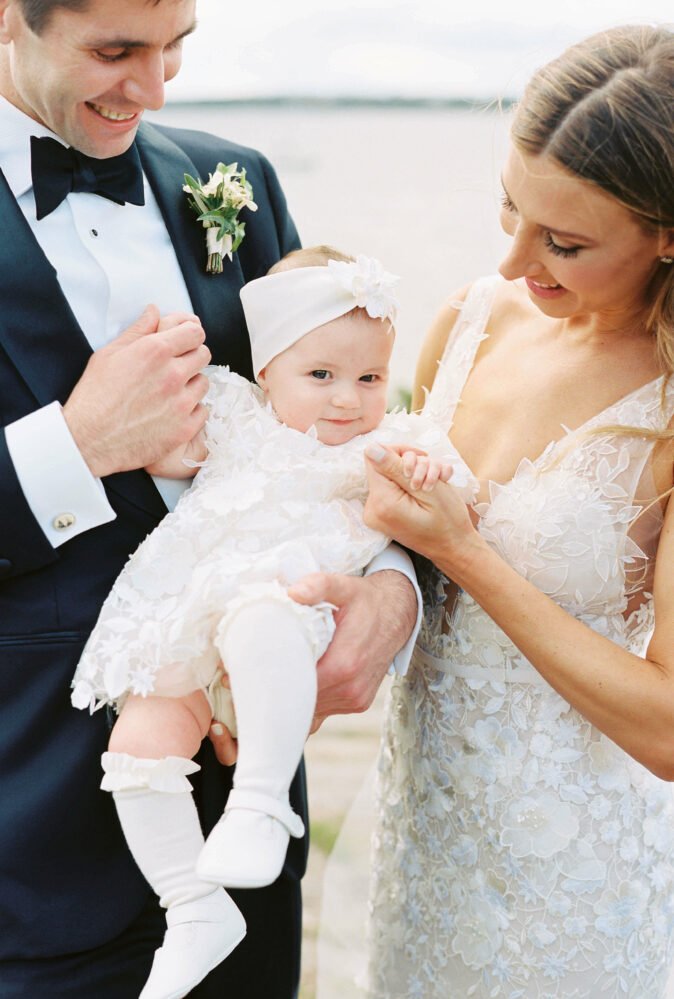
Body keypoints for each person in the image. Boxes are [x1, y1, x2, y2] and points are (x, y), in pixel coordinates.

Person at [0, 2, 419, 996]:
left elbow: (346, 425)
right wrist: (78, 446)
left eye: (175, 48)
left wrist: (393, 592)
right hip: (29, 827)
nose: (154, 89)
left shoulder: (233, 182)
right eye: (115, 53)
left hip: (244, 813)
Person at [71, 246, 477, 999]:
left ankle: (262, 802)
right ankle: (192, 906)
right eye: (320, 376)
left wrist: (427, 477)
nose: (348, 400)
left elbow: (452, 496)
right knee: (138, 744)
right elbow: (167, 441)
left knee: (264, 618)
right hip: (192, 634)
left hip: (294, 620)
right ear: (266, 373)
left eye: (367, 378)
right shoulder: (238, 418)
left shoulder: (384, 444)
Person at [362, 23, 674, 998]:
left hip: (573, 874)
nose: (511, 264)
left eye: (564, 243)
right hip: (423, 837)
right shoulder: (468, 320)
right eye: (508, 211)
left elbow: (666, 730)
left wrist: (467, 553)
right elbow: (390, 540)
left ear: (665, 234)